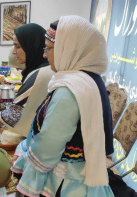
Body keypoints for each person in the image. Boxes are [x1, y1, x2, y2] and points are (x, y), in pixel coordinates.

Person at [11, 16, 114, 196]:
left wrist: (28, 165)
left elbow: (48, 147)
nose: (45, 54)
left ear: (68, 50)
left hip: (66, 184)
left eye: (49, 49)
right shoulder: (88, 79)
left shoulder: (71, 90)